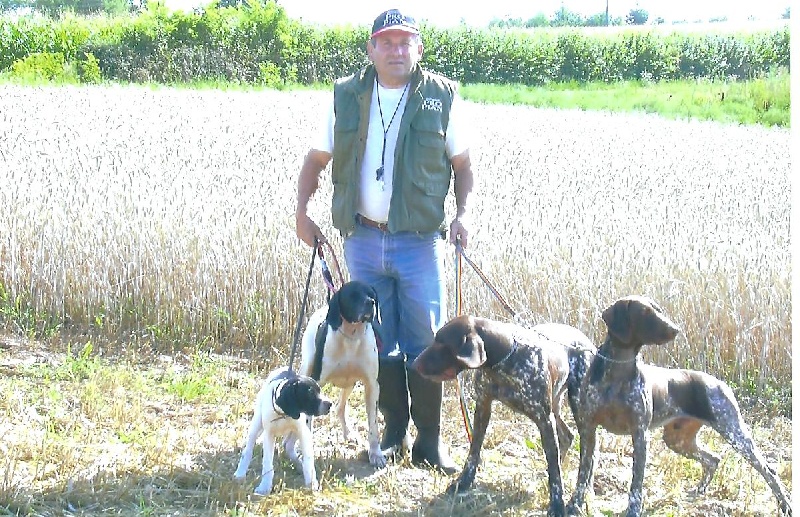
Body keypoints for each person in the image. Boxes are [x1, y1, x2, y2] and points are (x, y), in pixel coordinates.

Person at [294, 8, 475, 474]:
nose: (397, 50)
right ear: (371, 48)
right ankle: (394, 434)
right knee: (381, 341)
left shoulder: (442, 96)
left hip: (419, 243)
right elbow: (315, 160)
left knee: (426, 341)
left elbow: (463, 166)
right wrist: (302, 213)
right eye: (387, 42)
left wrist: (463, 215)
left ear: (419, 48)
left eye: (405, 42)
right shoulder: (346, 96)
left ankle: (429, 443)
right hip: (363, 240)